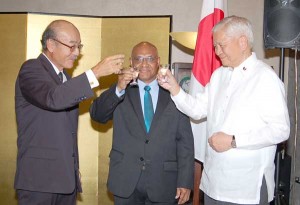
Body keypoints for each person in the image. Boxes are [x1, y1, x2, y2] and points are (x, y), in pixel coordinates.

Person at [157, 16, 290, 205]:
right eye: (215, 46)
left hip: (245, 190)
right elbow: (197, 110)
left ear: (242, 42)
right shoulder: (219, 75)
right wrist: (174, 88)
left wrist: (234, 141)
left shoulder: (265, 78)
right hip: (213, 184)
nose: (217, 51)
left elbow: (281, 130)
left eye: (221, 45)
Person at [14, 19, 125, 205]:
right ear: (51, 44)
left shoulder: (65, 78)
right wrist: (95, 72)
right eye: (72, 46)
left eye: (79, 46)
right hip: (39, 181)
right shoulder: (31, 68)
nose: (77, 53)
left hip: (66, 181)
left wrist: (73, 170)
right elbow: (53, 99)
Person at [89, 41, 194, 205]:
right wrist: (118, 88)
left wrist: (185, 181)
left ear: (158, 61)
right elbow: (98, 115)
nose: (144, 63)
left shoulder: (174, 93)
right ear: (131, 62)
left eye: (149, 58)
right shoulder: (120, 89)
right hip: (125, 180)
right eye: (138, 58)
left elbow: (185, 142)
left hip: (164, 181)